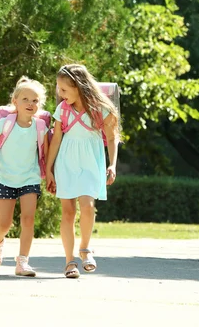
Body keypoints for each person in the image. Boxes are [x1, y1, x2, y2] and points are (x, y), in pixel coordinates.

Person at [45, 64, 120, 278]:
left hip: (90, 163)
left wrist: (112, 164)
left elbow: (113, 138)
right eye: (59, 89)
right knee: (68, 212)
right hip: (66, 163)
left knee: (87, 207)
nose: (60, 94)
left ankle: (85, 249)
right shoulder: (62, 110)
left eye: (64, 90)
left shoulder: (101, 109)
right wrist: (49, 169)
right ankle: (70, 262)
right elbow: (57, 139)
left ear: (78, 86)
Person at [0, 77, 49, 277]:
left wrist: (50, 174)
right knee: (4, 224)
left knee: (28, 220)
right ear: (15, 102)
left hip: (30, 178)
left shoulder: (40, 128)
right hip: (5, 178)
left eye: (35, 101)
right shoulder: (5, 124)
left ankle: (23, 262)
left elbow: (46, 154)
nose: (30, 104)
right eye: (25, 99)